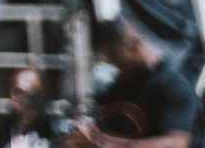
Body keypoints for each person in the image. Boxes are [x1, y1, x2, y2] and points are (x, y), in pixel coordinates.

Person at [75, 20, 197, 148]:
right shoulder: (123, 83)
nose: (116, 66)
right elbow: (101, 123)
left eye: (115, 57)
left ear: (133, 45)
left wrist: (109, 145)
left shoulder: (173, 86)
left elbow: (177, 143)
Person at [0, 69, 57, 148]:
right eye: (14, 91)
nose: (14, 96)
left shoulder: (53, 132)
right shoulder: (5, 131)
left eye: (19, 91)